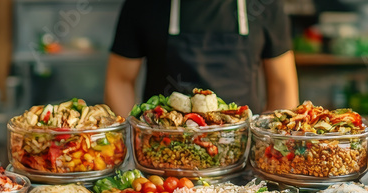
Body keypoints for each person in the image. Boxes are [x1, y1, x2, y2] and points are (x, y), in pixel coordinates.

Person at [105, 0, 299, 115]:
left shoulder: (265, 5)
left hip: (244, 152)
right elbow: (119, 80)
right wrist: (134, 140)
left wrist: (270, 147)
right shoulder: (143, 4)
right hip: (163, 154)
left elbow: (282, 85)